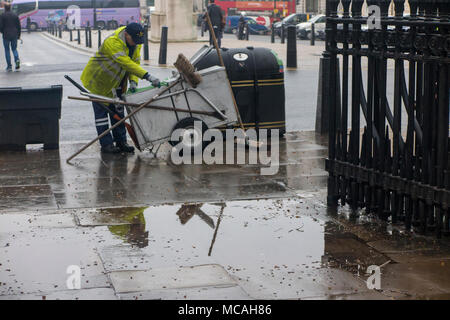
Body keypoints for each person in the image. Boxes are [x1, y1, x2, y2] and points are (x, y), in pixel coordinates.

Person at [81, 22, 160, 154]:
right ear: (126, 34)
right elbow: (126, 63)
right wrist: (147, 76)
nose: (136, 43)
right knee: (102, 116)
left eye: (138, 41)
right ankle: (106, 145)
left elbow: (135, 62)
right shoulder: (113, 42)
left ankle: (121, 142)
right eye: (133, 40)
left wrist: (133, 81)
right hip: (100, 82)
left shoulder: (136, 42)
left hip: (118, 82)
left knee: (118, 114)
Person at [0, 3, 21, 72]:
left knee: (7, 50)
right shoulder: (15, 15)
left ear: (5, 8)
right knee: (14, 49)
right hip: (14, 34)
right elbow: (19, 26)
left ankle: (9, 66)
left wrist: (2, 32)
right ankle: (17, 60)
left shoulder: (2, 15)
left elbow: (1, 26)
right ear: (11, 7)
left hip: (6, 34)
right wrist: (19, 35)